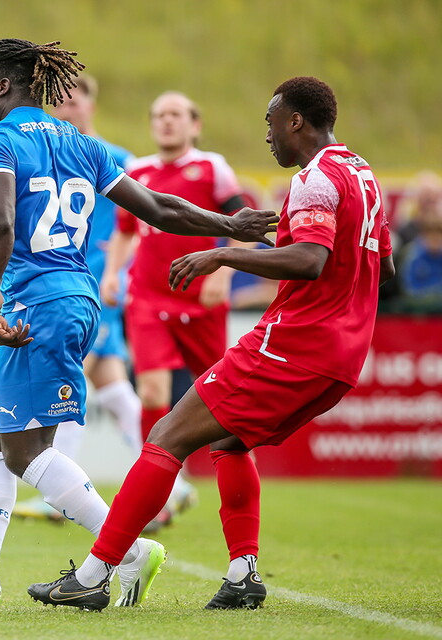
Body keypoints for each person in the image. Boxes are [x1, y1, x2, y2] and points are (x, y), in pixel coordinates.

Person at [0, 38, 277, 610]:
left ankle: (126, 551)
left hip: (39, 307)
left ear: (3, 85)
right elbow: (159, 209)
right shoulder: (82, 144)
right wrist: (229, 226)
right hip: (77, 300)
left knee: (26, 452)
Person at [28, 76, 394, 612]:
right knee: (229, 443)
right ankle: (243, 575)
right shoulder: (362, 174)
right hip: (342, 355)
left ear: (296, 121)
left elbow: (309, 261)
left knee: (166, 436)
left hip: (293, 342)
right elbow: (382, 267)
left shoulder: (314, 178)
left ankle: (92, 576)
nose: (267, 135)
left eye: (272, 123)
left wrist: (221, 256)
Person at [106, 91, 251, 529]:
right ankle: (162, 495)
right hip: (148, 299)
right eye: (158, 116)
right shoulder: (137, 170)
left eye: (175, 115)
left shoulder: (212, 167)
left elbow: (242, 221)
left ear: (195, 124)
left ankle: (237, 501)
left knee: (224, 410)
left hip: (201, 302)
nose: (165, 122)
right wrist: (113, 273)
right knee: (151, 393)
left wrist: (224, 271)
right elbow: (126, 230)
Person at [12, 74, 143, 522]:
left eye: (75, 100)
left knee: (68, 379)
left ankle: (60, 490)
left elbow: (144, 219)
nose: (67, 108)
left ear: (91, 105)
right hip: (73, 284)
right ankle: (172, 482)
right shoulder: (46, 152)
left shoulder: (114, 157)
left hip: (88, 285)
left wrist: (121, 271)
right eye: (60, 102)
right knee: (113, 384)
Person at [397, 204, 442, 311]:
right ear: (422, 234)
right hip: (417, 312)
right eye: (430, 232)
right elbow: (408, 288)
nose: (434, 238)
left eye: (439, 233)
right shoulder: (411, 255)